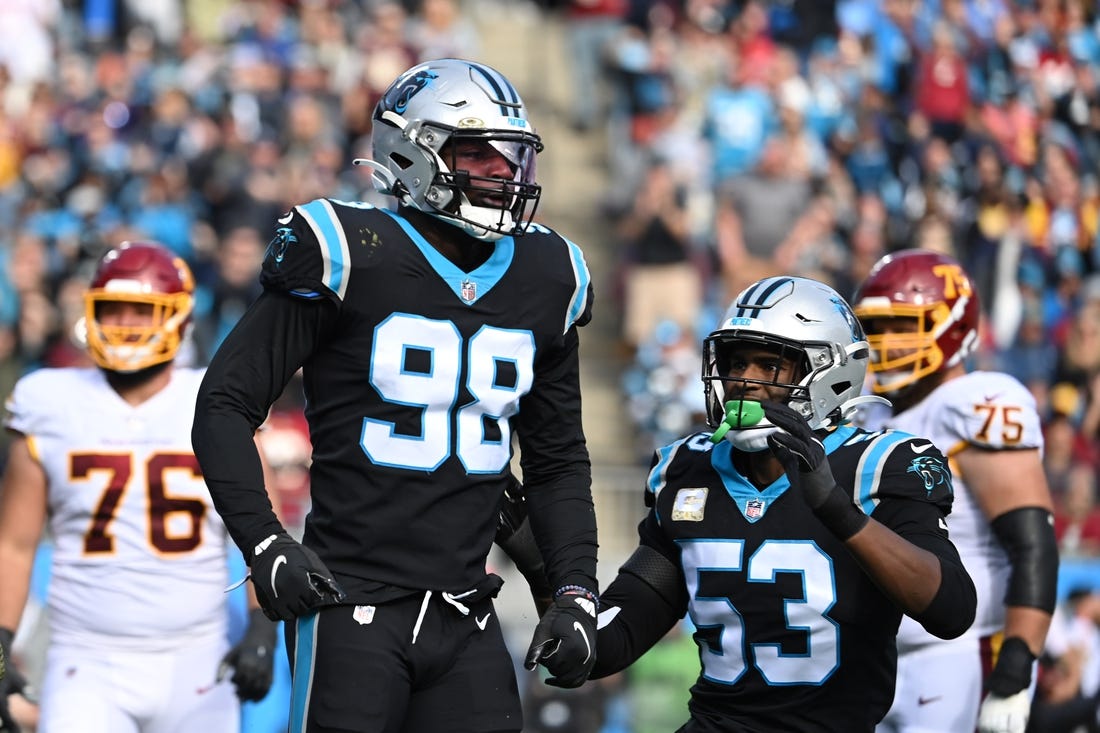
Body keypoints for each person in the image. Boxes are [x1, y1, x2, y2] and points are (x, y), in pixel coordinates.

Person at [190, 57, 599, 732]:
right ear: (412, 151)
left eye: (511, 159)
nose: (502, 174)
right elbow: (224, 403)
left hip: (467, 612)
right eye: (479, 154)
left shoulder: (549, 273)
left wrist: (575, 588)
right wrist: (264, 543)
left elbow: (557, 461)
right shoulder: (353, 248)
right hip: (351, 605)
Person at [584, 275, 977, 732]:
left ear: (830, 372)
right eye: (736, 362)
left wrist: (836, 508)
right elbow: (616, 636)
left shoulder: (878, 465)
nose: (743, 381)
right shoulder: (688, 467)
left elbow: (951, 608)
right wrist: (544, 566)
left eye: (769, 366)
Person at [0, 241, 278, 732]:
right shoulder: (48, 399)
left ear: (178, 319)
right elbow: (14, 544)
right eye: (114, 309)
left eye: (142, 310)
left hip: (198, 658)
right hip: (85, 658)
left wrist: (262, 626)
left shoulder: (215, 399)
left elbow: (266, 533)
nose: (126, 322)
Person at [852, 249, 1059, 733]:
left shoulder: (974, 402)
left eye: (904, 325)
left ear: (952, 326)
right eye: (877, 328)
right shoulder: (870, 415)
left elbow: (1032, 541)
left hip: (959, 652)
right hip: (878, 658)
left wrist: (1015, 666)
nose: (886, 342)